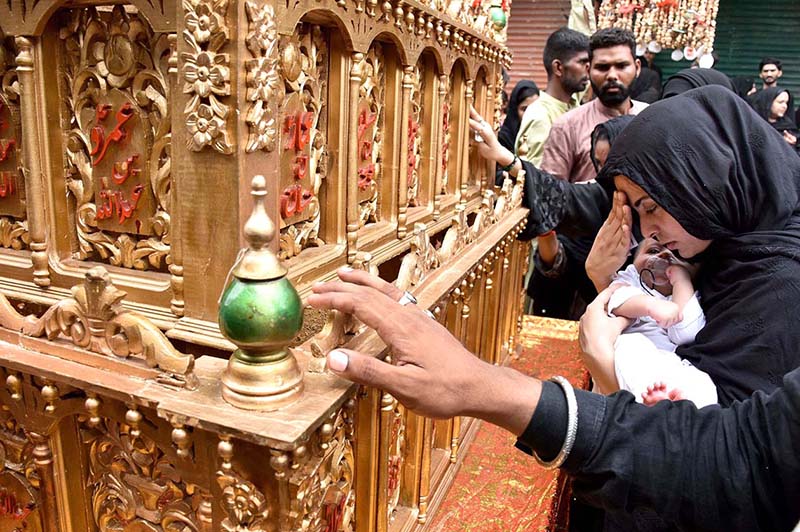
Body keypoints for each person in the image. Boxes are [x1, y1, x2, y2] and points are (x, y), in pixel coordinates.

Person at [308, 86, 800, 530]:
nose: (643, 229)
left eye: (651, 205)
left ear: (705, 182)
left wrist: (593, 369)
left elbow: (729, 470)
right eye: (633, 207)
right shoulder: (717, 243)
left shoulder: (782, 288)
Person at [602, 237, 717, 408]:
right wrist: (650, 305)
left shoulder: (689, 294)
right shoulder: (632, 280)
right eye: (653, 251)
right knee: (630, 345)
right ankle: (648, 401)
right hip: (634, 356)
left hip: (669, 362)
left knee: (704, 382)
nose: (665, 255)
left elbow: (685, 333)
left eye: (678, 256)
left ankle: (686, 409)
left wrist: (681, 281)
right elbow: (614, 300)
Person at [541, 27, 647, 184]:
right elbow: (553, 193)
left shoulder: (653, 118)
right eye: (602, 67)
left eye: (621, 65)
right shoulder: (567, 127)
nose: (612, 75)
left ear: (637, 68)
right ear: (588, 70)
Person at [514, 28, 589, 166]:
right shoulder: (540, 115)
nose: (588, 68)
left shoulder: (574, 105)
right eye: (582, 63)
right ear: (558, 68)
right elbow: (538, 179)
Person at [495, 80, 539, 184]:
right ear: (515, 110)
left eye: (534, 108)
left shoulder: (545, 132)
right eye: (524, 109)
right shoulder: (503, 138)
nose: (530, 114)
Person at [749, 87, 799, 151]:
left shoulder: (788, 126)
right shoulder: (755, 125)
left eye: (786, 103)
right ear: (768, 102)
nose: (784, 106)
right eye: (780, 102)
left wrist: (794, 142)